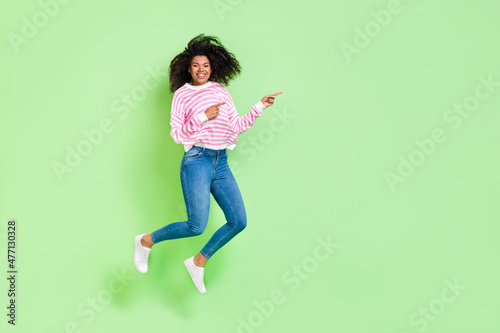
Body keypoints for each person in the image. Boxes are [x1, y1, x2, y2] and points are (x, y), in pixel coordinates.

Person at [133, 34, 282, 294]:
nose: (201, 70)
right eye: (195, 66)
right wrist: (203, 116)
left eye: (205, 66)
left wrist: (260, 106)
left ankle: (198, 261)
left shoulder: (220, 90)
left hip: (220, 161)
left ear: (212, 68)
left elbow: (235, 125)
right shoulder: (182, 95)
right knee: (196, 225)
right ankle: (146, 241)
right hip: (197, 161)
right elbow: (177, 134)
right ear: (187, 69)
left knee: (238, 221)